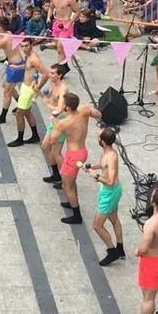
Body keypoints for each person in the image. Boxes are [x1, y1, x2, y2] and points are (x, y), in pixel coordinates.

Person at [50, 93, 102, 225]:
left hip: (73, 156)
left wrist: (55, 122)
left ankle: (76, 215)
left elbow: (53, 140)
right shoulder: (84, 110)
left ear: (67, 107)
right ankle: (71, 202)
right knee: (71, 182)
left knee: (67, 185)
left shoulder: (64, 123)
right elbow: (98, 114)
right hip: (82, 151)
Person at [85, 127, 125, 266]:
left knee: (97, 225)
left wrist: (95, 176)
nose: (97, 138)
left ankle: (112, 251)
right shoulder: (107, 151)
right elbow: (103, 165)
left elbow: (111, 181)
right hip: (110, 191)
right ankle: (120, 248)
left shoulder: (111, 157)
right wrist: (92, 167)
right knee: (114, 218)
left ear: (102, 141)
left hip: (110, 193)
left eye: (98, 137)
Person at [8, 39, 50, 147]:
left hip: (29, 89)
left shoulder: (34, 58)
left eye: (26, 46)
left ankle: (20, 139)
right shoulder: (28, 55)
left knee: (19, 114)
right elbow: (28, 67)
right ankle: (35, 136)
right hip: (25, 86)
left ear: (31, 45)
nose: (24, 48)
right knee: (27, 112)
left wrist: (38, 88)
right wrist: (17, 67)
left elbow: (46, 74)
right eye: (22, 46)